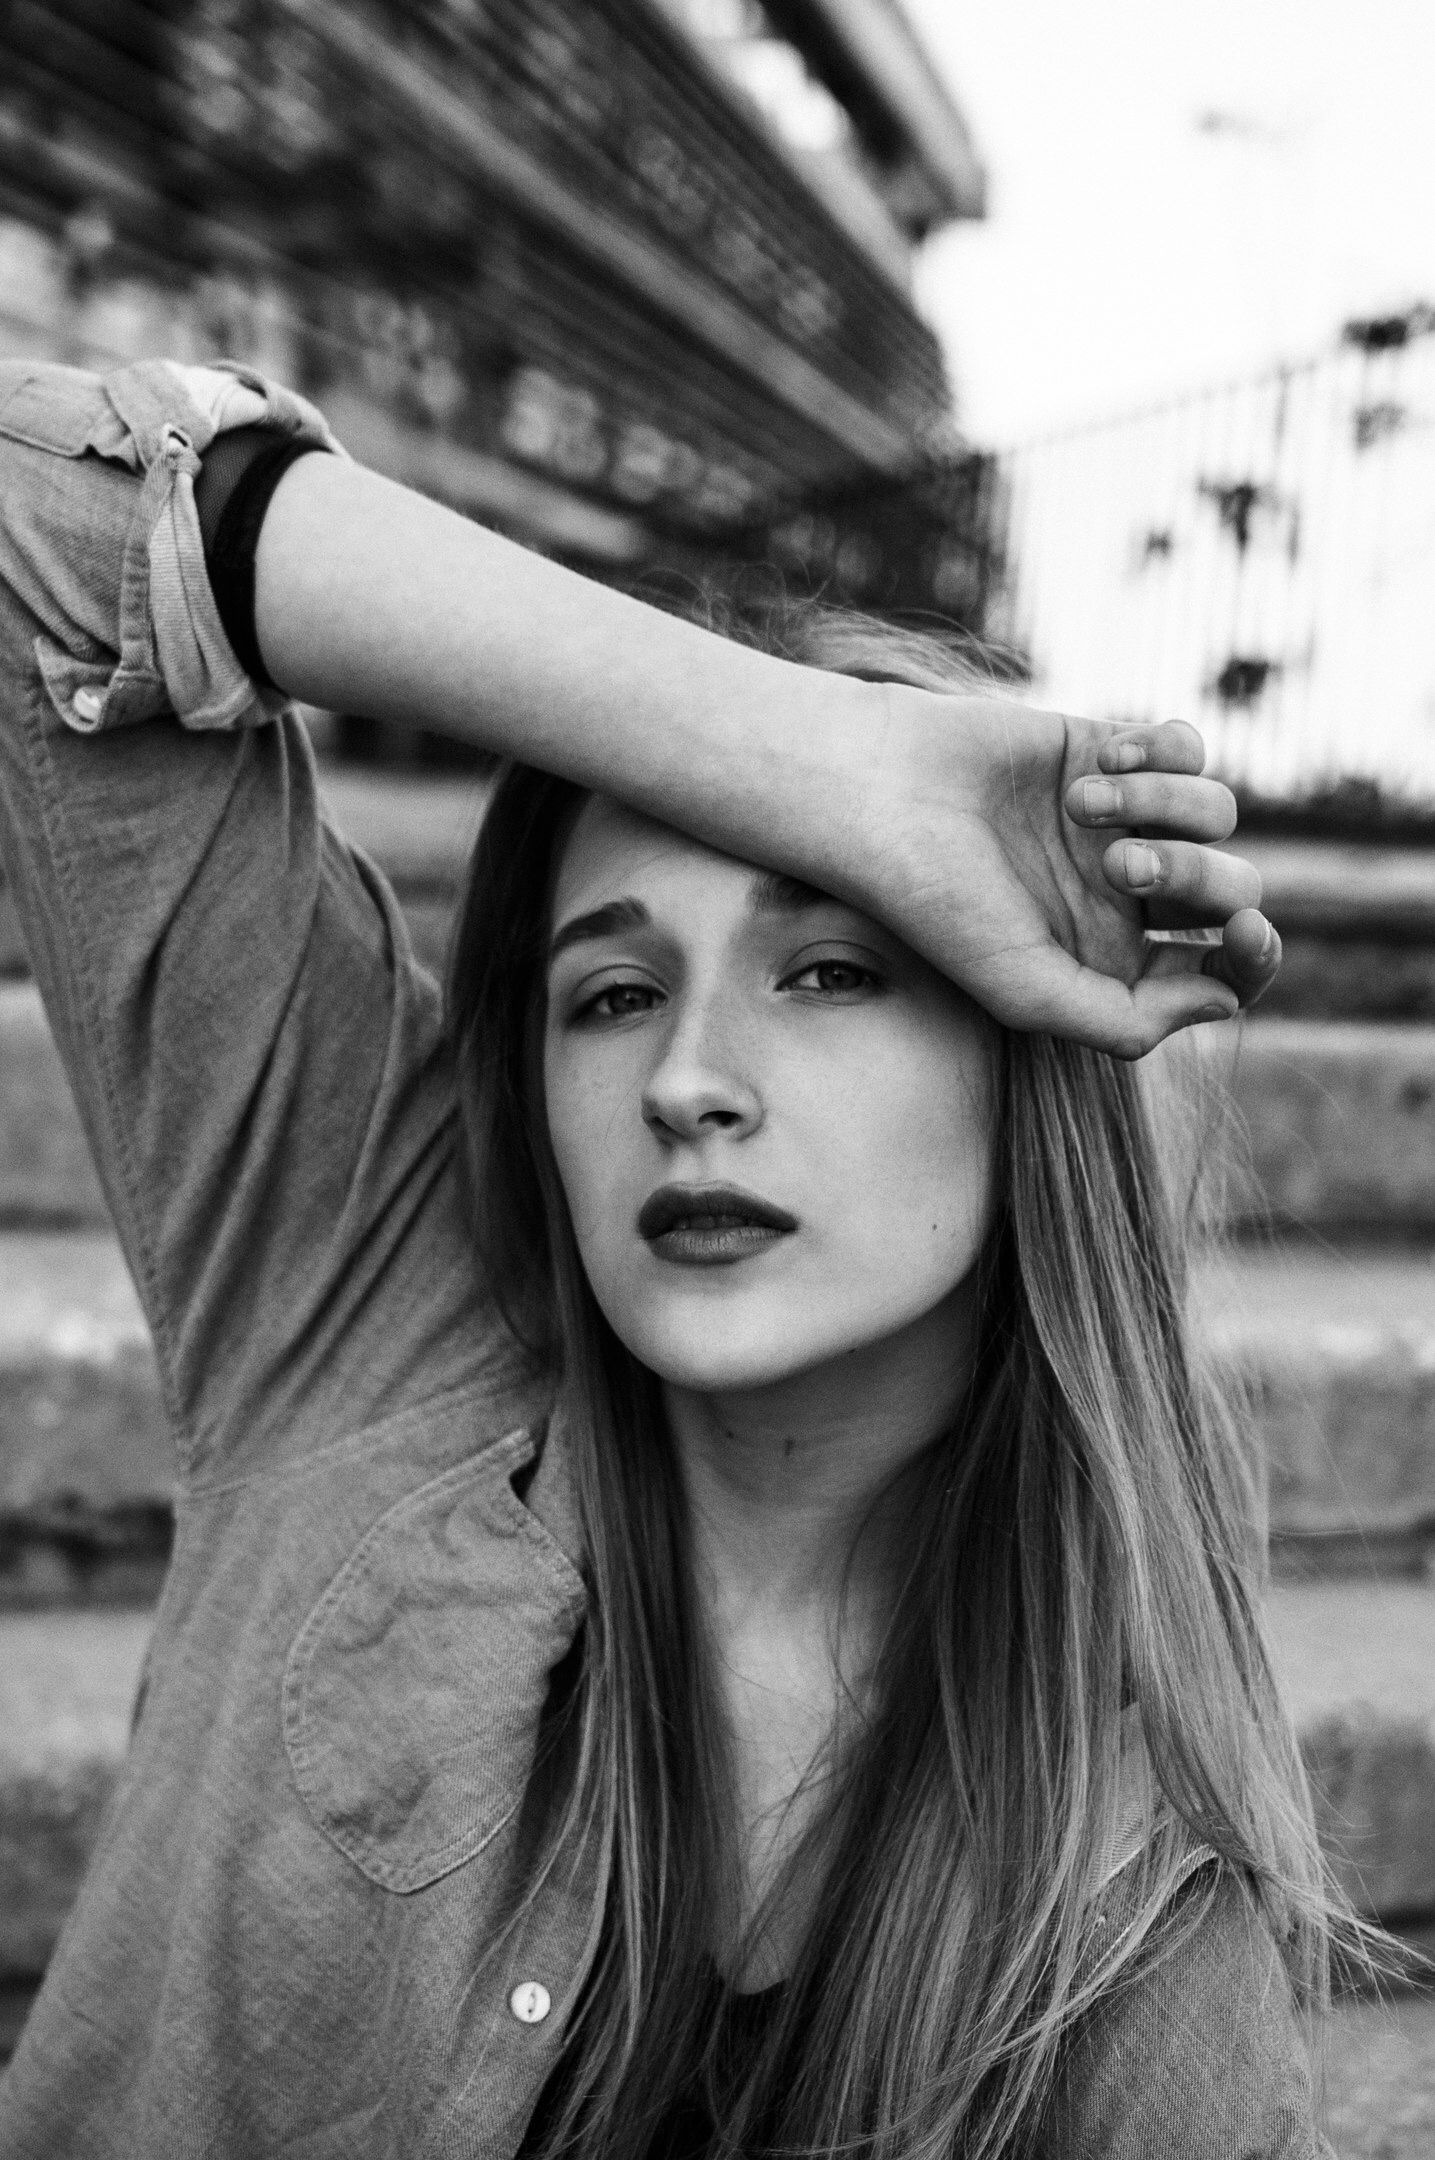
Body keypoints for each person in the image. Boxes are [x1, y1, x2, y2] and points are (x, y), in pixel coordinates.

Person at [0, 356, 1350, 2160]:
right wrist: (808, 757)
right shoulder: (355, 1329)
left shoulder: (1141, 1935)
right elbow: (43, 527)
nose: (689, 1082)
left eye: (832, 971)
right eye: (614, 994)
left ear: (1027, 1068)